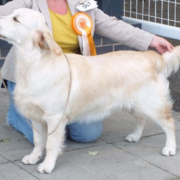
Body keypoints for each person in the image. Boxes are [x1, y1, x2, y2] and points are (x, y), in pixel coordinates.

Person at [0, 0, 173, 144]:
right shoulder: (27, 2)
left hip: (71, 77)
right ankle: (16, 115)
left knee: (86, 135)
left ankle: (57, 115)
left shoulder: (82, 2)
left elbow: (111, 25)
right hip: (31, 77)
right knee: (41, 136)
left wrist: (151, 40)